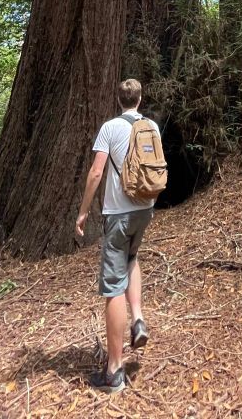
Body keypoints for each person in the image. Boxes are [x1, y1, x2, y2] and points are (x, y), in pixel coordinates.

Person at [75, 79, 160, 394]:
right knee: (131, 258)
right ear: (139, 99)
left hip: (119, 212)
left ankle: (114, 369)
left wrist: (83, 211)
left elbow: (96, 172)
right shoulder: (151, 125)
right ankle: (137, 318)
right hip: (145, 208)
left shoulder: (109, 128)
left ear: (119, 98)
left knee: (113, 288)